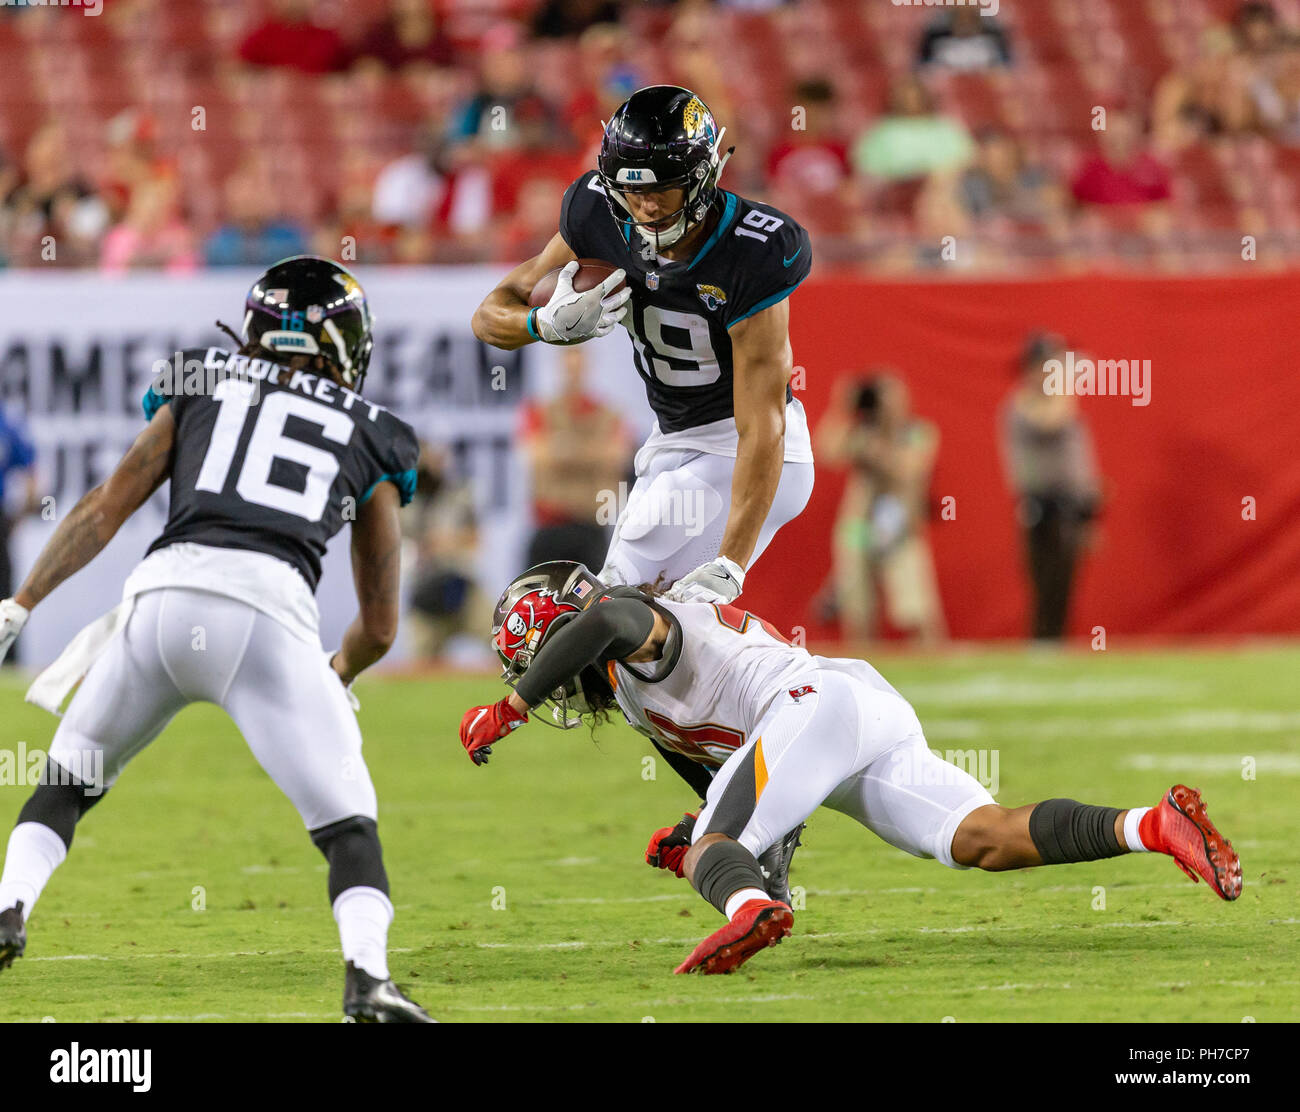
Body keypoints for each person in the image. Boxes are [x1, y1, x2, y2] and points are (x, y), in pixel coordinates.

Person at [0, 256, 432, 1022]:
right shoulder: (375, 432)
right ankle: (367, 979)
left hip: (158, 600)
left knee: (63, 785)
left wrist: (23, 601)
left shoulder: (199, 378)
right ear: (346, 347)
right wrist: (337, 671)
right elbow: (383, 623)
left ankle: (9, 908)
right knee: (348, 829)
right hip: (266, 614)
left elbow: (107, 504)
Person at [458, 561, 1242, 975]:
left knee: (709, 852)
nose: (551, 680)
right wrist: (721, 839)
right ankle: (1153, 824)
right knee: (982, 837)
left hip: (811, 705)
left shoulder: (632, 627)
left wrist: (512, 709)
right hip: (850, 713)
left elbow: (605, 615)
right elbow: (740, 788)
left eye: (540, 663)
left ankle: (746, 915)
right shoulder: (637, 701)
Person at [472, 85, 815, 605]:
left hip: (744, 445)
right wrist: (541, 324)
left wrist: (730, 563)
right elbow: (489, 314)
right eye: (633, 192)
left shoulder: (754, 248)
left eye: (663, 191)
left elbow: (762, 420)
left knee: (610, 609)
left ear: (702, 179)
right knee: (634, 628)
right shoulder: (598, 215)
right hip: (671, 441)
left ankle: (804, 686)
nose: (647, 207)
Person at [814, 373, 945, 644]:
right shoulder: (860, 433)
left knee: (917, 613)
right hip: (857, 527)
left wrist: (874, 449)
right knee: (858, 613)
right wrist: (841, 408)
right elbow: (827, 451)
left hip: (900, 531)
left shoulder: (918, 433)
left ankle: (931, 663)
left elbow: (909, 470)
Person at [999, 333, 1102, 641]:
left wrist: (1090, 505)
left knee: (1065, 583)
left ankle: (1056, 644)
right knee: (1045, 581)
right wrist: (1067, 381)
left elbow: (1078, 459)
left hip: (1071, 504)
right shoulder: (1022, 404)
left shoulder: (1057, 399)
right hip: (1041, 505)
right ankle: (1042, 644)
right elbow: (1052, 420)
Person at [520, 346, 632, 573]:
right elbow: (537, 457)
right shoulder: (539, 411)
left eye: (578, 367)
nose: (573, 373)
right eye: (569, 367)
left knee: (595, 604)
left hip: (591, 528)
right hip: (549, 528)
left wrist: (562, 448)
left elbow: (618, 456)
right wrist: (593, 451)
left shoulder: (609, 413)